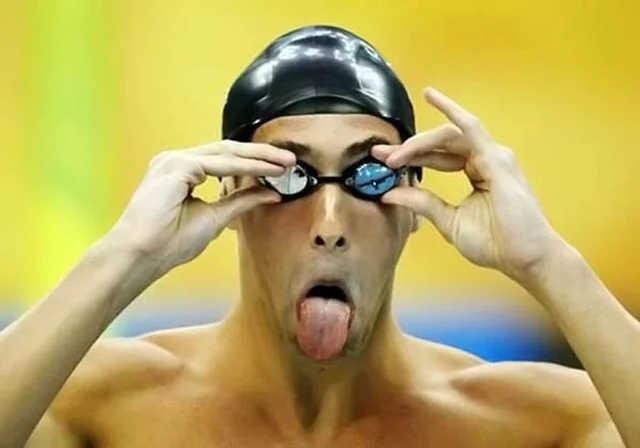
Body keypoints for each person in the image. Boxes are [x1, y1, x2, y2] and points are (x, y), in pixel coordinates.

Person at [1, 25, 636, 448]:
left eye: (367, 177)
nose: (329, 225)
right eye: (290, 177)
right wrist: (124, 256)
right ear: (233, 196)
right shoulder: (107, 407)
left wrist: (547, 262)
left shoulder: (523, 426)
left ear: (414, 204)